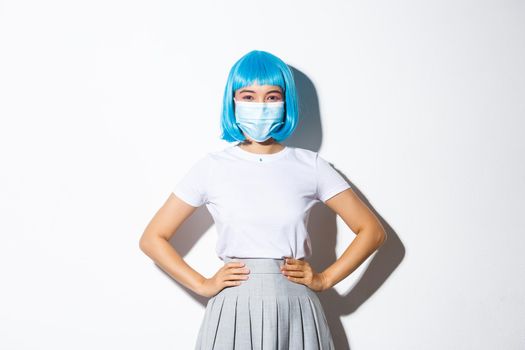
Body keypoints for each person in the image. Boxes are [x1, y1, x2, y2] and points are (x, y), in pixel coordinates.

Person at [139, 50, 387, 350]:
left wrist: (325, 279)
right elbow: (153, 238)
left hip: (295, 303)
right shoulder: (212, 167)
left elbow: (372, 231)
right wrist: (203, 284)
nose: (260, 106)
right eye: (248, 96)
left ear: (286, 103)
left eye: (272, 97)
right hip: (234, 306)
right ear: (233, 102)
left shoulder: (311, 166)